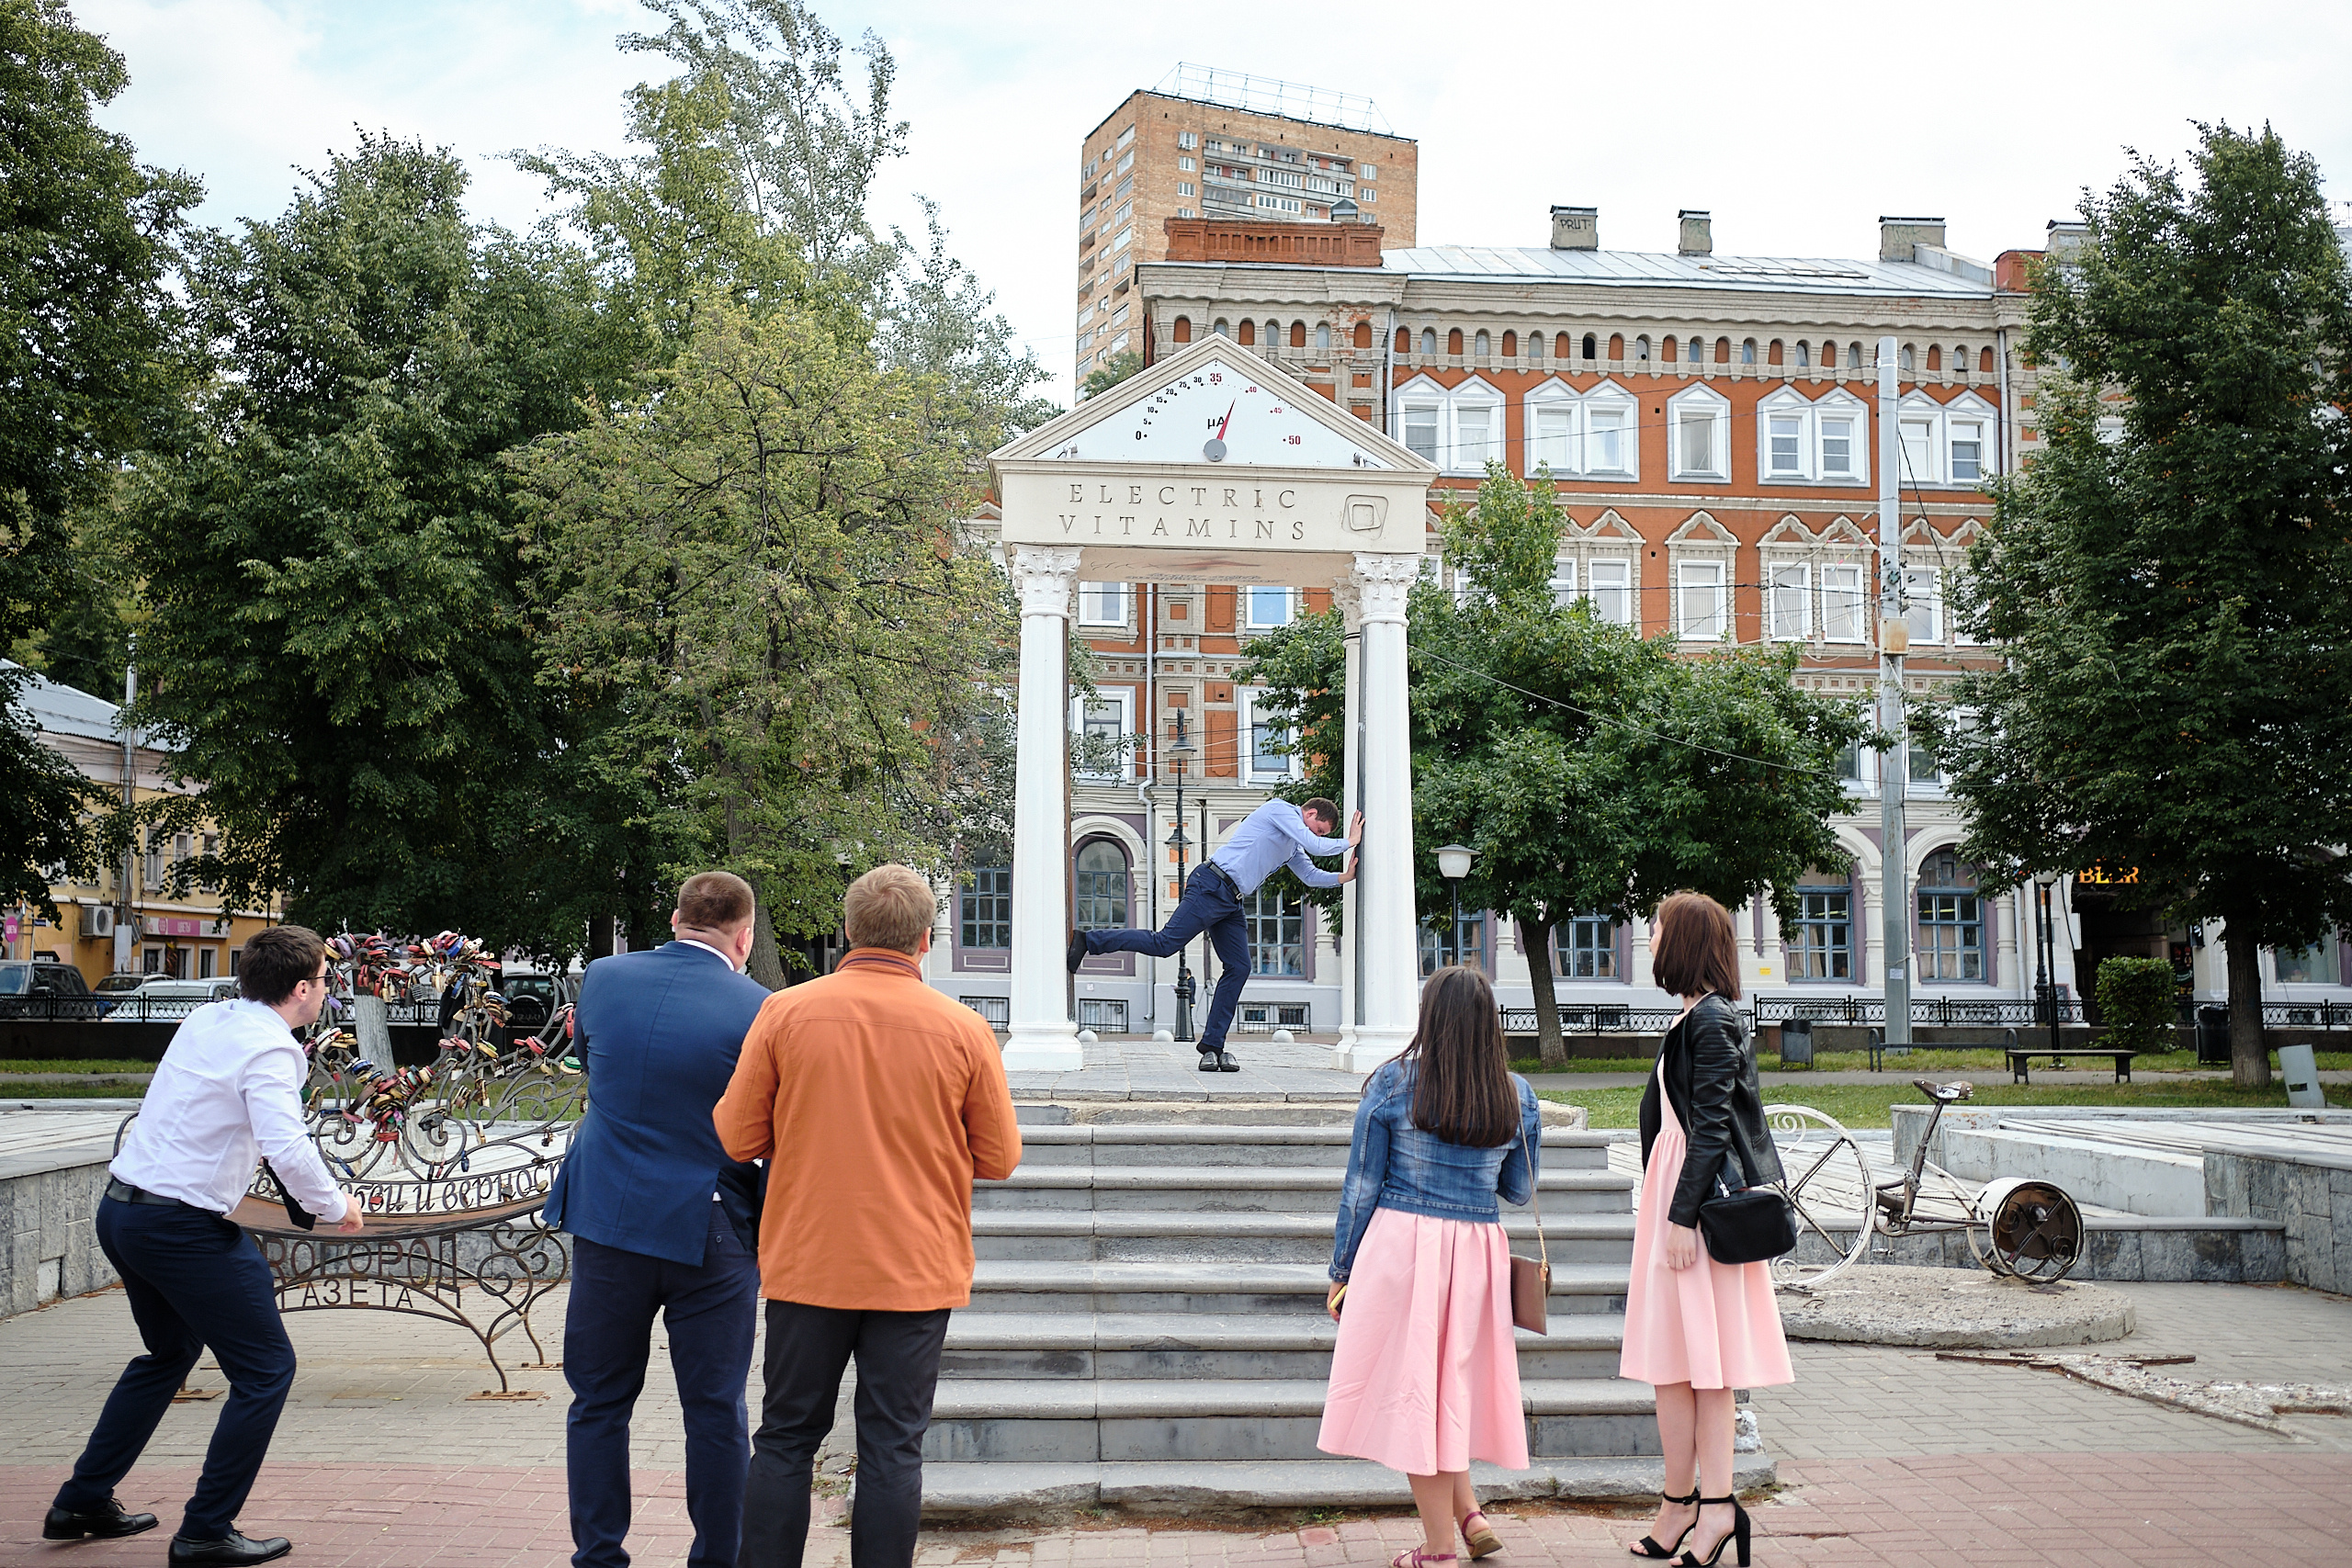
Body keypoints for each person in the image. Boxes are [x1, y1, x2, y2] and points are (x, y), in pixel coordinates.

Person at [716, 863, 1023, 1568]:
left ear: (847, 928)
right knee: (892, 1444)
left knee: (786, 1437)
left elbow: (736, 1137)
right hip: (913, 1268)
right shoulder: (964, 1027)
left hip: (808, 1262)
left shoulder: (786, 1011)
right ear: (925, 939)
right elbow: (1000, 1156)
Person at [45, 924, 361, 1567]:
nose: (327, 991)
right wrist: (336, 1206)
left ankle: (81, 1499)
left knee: (171, 1351)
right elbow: (285, 1143)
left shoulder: (210, 1017)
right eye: (324, 982)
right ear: (301, 989)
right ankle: (206, 1529)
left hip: (123, 1210)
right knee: (267, 1368)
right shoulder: (274, 1049)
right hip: (178, 1228)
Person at [543, 871, 772, 1568]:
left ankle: (600, 1554)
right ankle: (716, 1558)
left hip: (609, 1217)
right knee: (715, 1409)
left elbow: (591, 1064)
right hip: (710, 1226)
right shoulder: (761, 1006)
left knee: (598, 1400)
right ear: (745, 934)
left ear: (675, 918)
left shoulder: (605, 979)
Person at [1317, 965, 1542, 1567]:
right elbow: (1519, 1189)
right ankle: (1466, 1513)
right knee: (1449, 1385)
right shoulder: (1516, 1093)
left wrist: (1342, 1269)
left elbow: (1360, 1187)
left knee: (1416, 1389)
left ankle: (1441, 1547)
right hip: (1477, 1251)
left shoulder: (1392, 1083)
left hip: (1404, 1244)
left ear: (1430, 1017)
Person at [1621, 893, 1791, 1568]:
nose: (1650, 934)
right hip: (1676, 1196)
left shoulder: (1712, 1020)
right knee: (1677, 1365)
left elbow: (1713, 1127)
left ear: (1683, 938)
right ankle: (1688, 1503)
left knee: (1699, 1367)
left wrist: (1681, 1216)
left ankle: (1709, 1504)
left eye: (1658, 926)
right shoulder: (1695, 1015)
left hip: (1692, 1206)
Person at [1070, 795, 1362, 1071]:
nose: (1320, 836)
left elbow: (1310, 875)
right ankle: (1089, 940)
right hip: (1211, 884)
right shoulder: (1281, 810)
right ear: (1310, 814)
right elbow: (1315, 844)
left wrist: (1344, 877)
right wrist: (1349, 842)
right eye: (1320, 830)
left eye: (1323, 834)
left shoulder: (1293, 845)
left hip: (1231, 900)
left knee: (1239, 967)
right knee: (1165, 944)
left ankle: (1212, 1043)